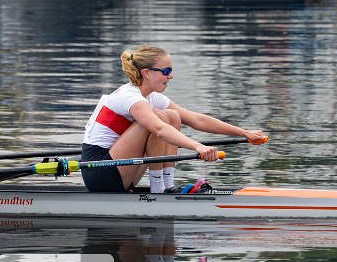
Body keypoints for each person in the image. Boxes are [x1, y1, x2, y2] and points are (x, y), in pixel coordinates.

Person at [81, 45, 268, 193]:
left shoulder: (152, 97)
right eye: (166, 71)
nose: (170, 76)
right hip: (99, 172)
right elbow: (160, 130)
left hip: (122, 169)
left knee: (172, 115)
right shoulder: (129, 97)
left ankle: (166, 186)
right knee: (158, 118)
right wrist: (198, 147)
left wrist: (244, 133)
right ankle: (158, 189)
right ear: (146, 73)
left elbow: (197, 120)